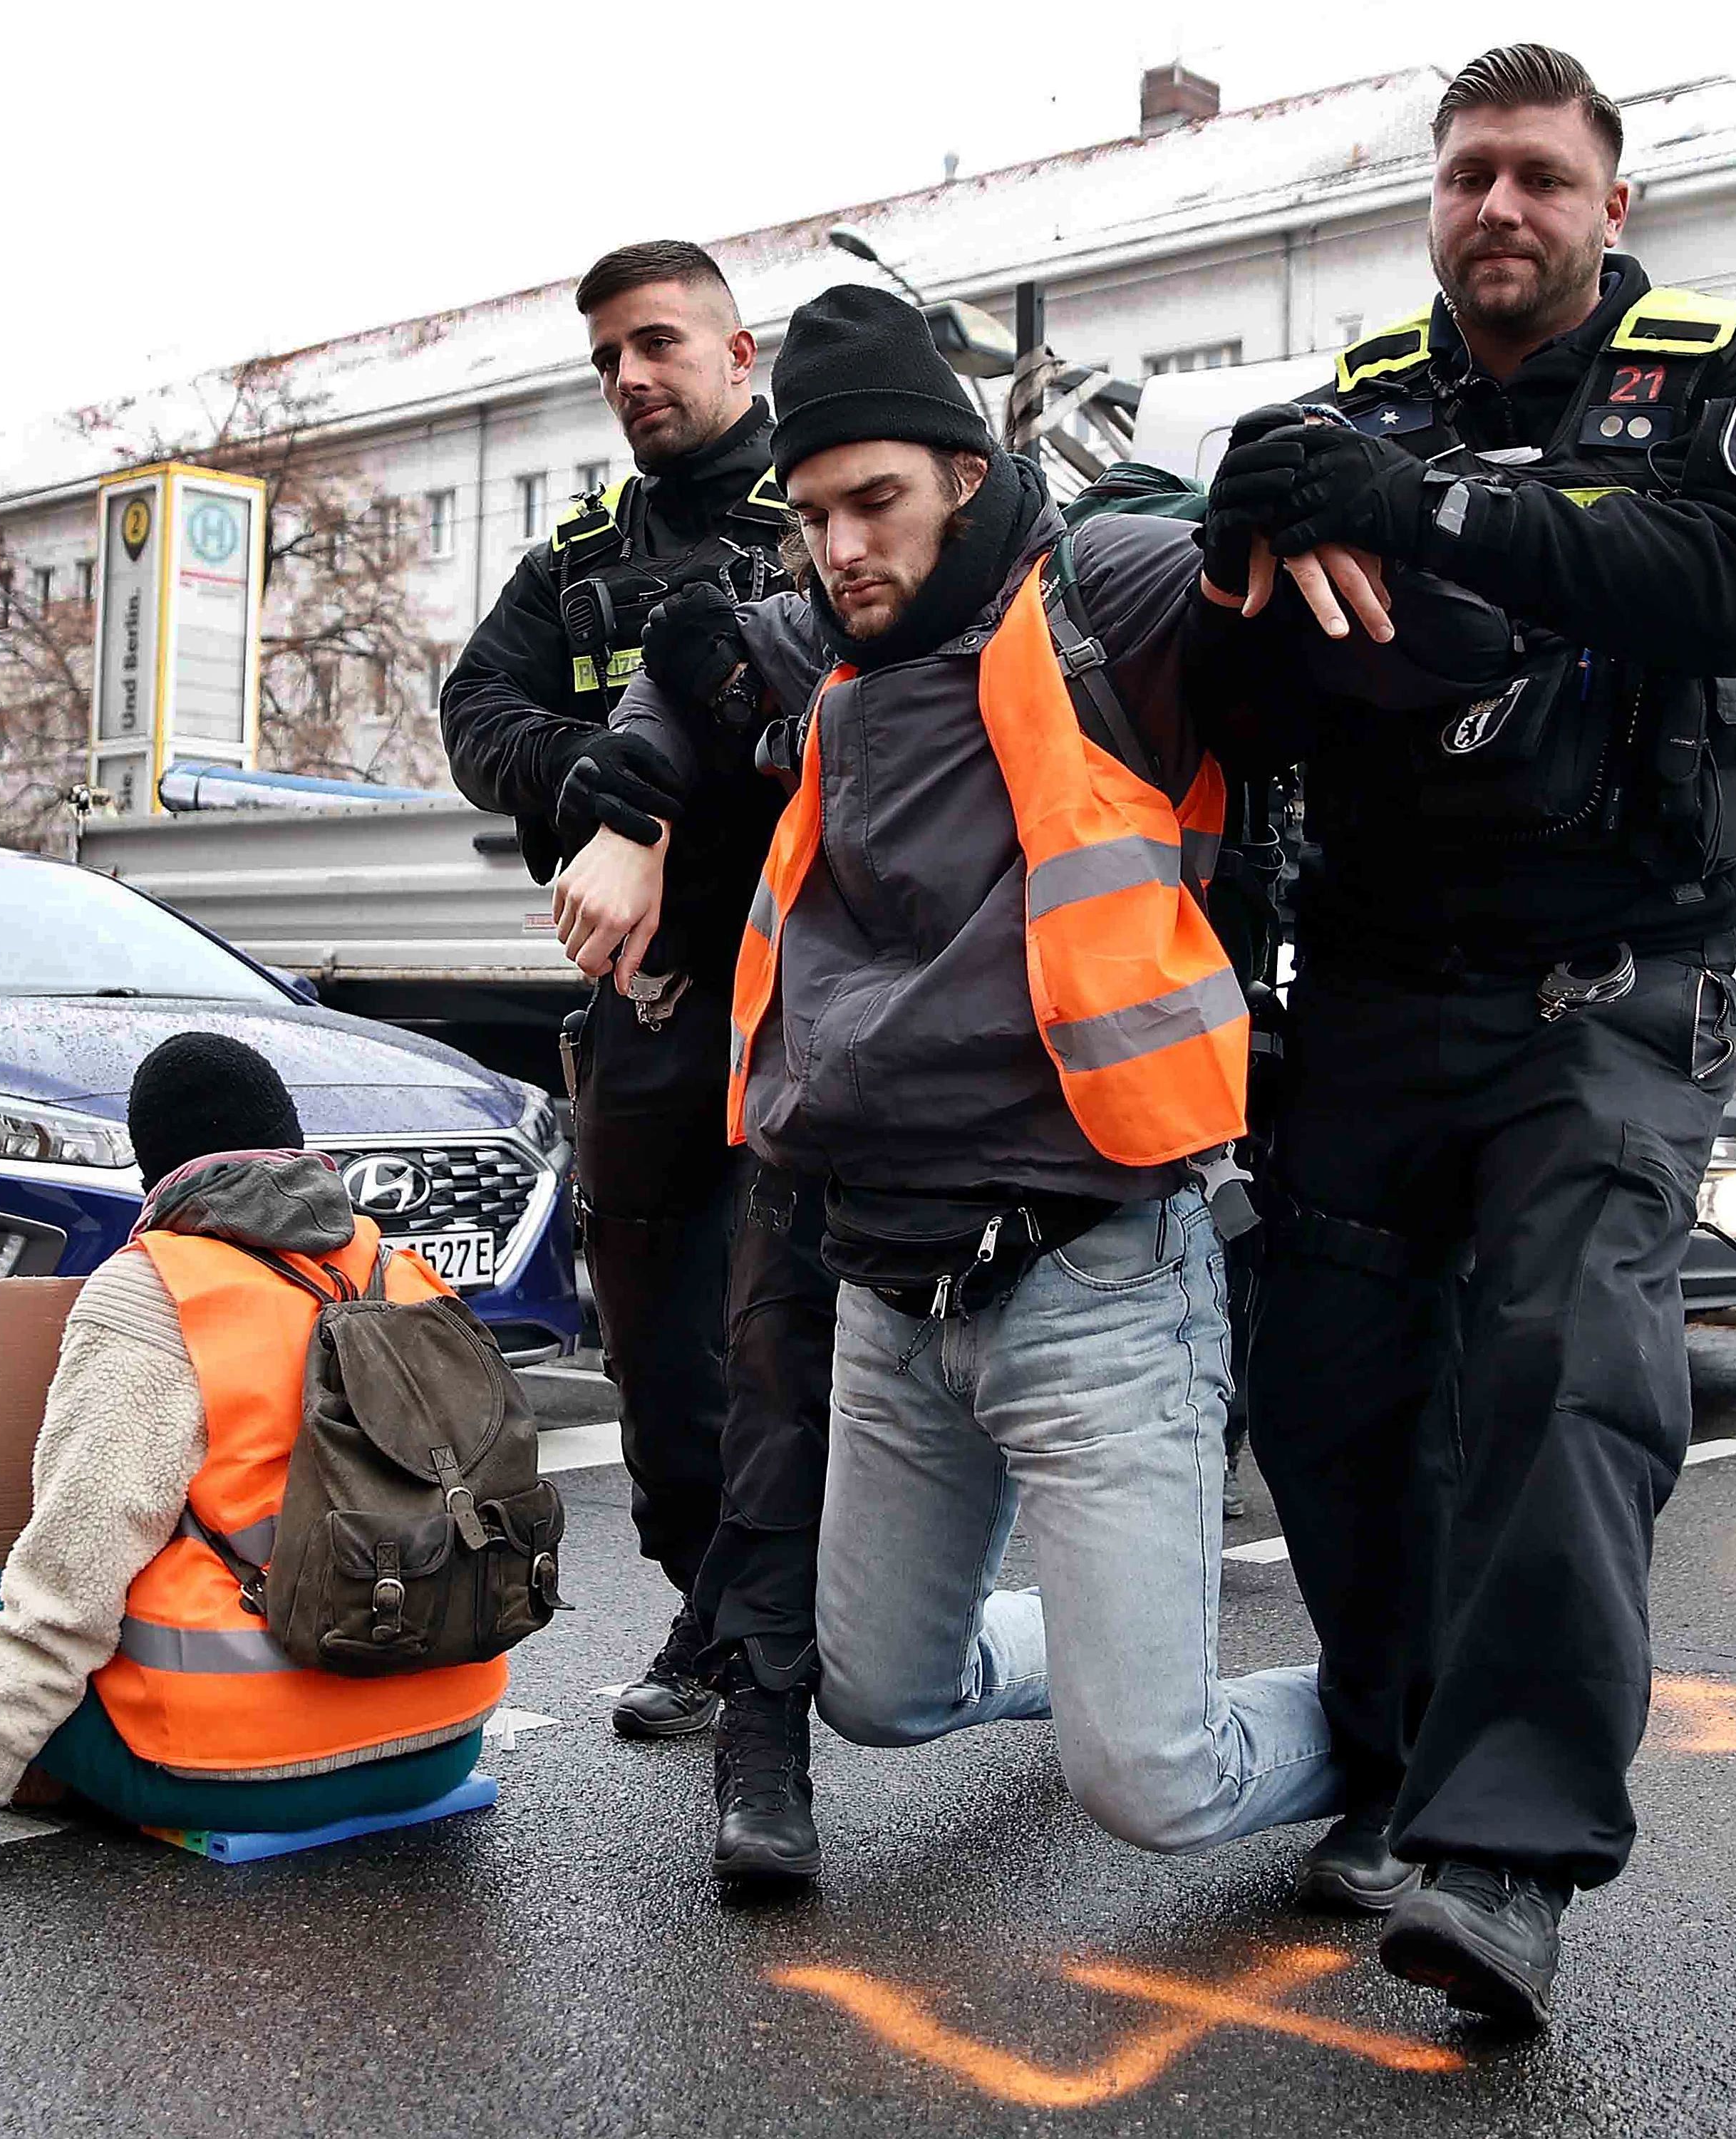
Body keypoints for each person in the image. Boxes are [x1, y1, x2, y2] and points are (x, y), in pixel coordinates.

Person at [555, 284, 1517, 1865]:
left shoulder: (1102, 590)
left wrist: (1315, 495)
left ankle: (1401, 1718)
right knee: (875, 1696)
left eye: (880, 501)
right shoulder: (825, 633)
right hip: (890, 1288)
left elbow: (1332, 611)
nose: (846, 545)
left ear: (959, 467)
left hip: (1097, 1278)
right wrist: (631, 805)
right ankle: (1109, 1668)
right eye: (813, 515)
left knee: (1154, 1790)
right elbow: (695, 655)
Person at [1187, 43, 1736, 2029]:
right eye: (1469, 175)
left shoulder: (1734, 379)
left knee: (1567, 1374)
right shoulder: (1350, 404)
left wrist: (1426, 508)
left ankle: (1505, 1857)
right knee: (1327, 1392)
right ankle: (1386, 1772)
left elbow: (1718, 581)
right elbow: (1240, 680)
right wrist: (1239, 546)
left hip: (1612, 987)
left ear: (1608, 205)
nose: (1501, 209)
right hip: (1375, 986)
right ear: (1432, 201)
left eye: (1542, 177)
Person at [438, 240, 838, 1829]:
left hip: (801, 985)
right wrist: (586, 776)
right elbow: (478, 717)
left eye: (657, 342)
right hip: (645, 1005)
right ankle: (706, 1602)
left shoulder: (808, 514)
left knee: (774, 1345)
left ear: (741, 352)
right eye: (608, 355)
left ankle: (771, 1657)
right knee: (658, 1354)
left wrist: (662, 783)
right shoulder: (578, 556)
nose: (629, 377)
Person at [0, 1034, 501, 1873]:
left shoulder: (157, 1288)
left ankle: (45, 1757)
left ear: (157, 1174)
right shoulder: (403, 1271)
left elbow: (74, 1571)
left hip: (248, 1772)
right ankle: (55, 1754)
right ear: (295, 1145)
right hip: (442, 1742)